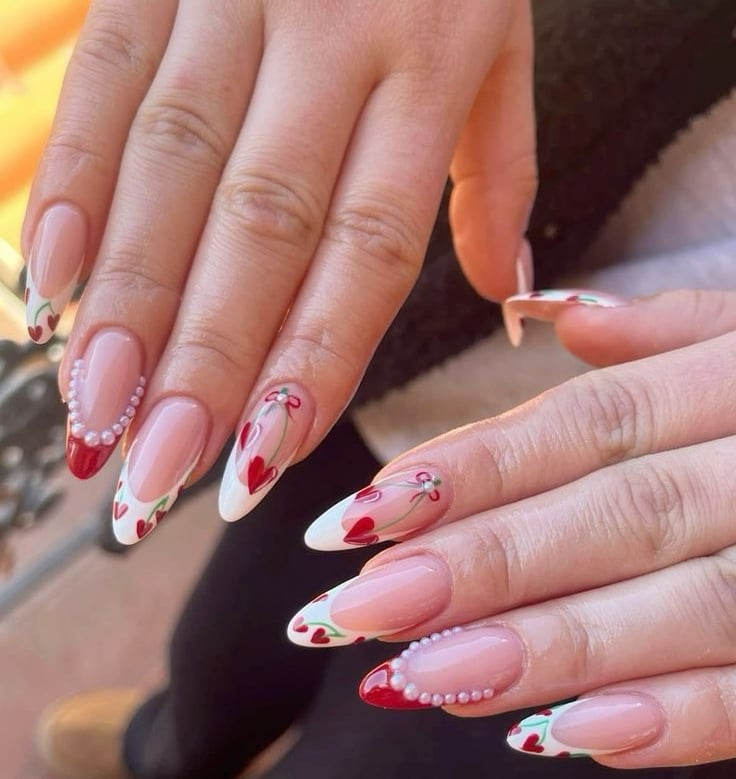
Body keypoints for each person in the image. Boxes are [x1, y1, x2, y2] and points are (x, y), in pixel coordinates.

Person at [27, 0, 736, 776]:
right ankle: (164, 747)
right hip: (464, 312)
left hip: (689, 541)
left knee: (380, 751)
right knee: (226, 637)